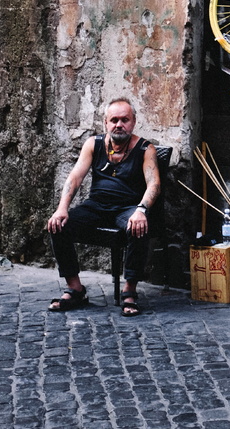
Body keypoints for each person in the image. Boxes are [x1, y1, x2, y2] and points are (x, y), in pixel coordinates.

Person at [47, 97, 161, 317]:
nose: (119, 124)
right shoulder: (94, 144)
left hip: (128, 208)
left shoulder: (146, 149)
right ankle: (75, 288)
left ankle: (130, 291)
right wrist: (62, 208)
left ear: (133, 122)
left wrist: (141, 210)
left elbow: (154, 184)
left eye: (125, 120)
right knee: (59, 225)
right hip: (96, 206)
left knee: (137, 227)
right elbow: (75, 177)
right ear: (106, 123)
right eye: (114, 120)